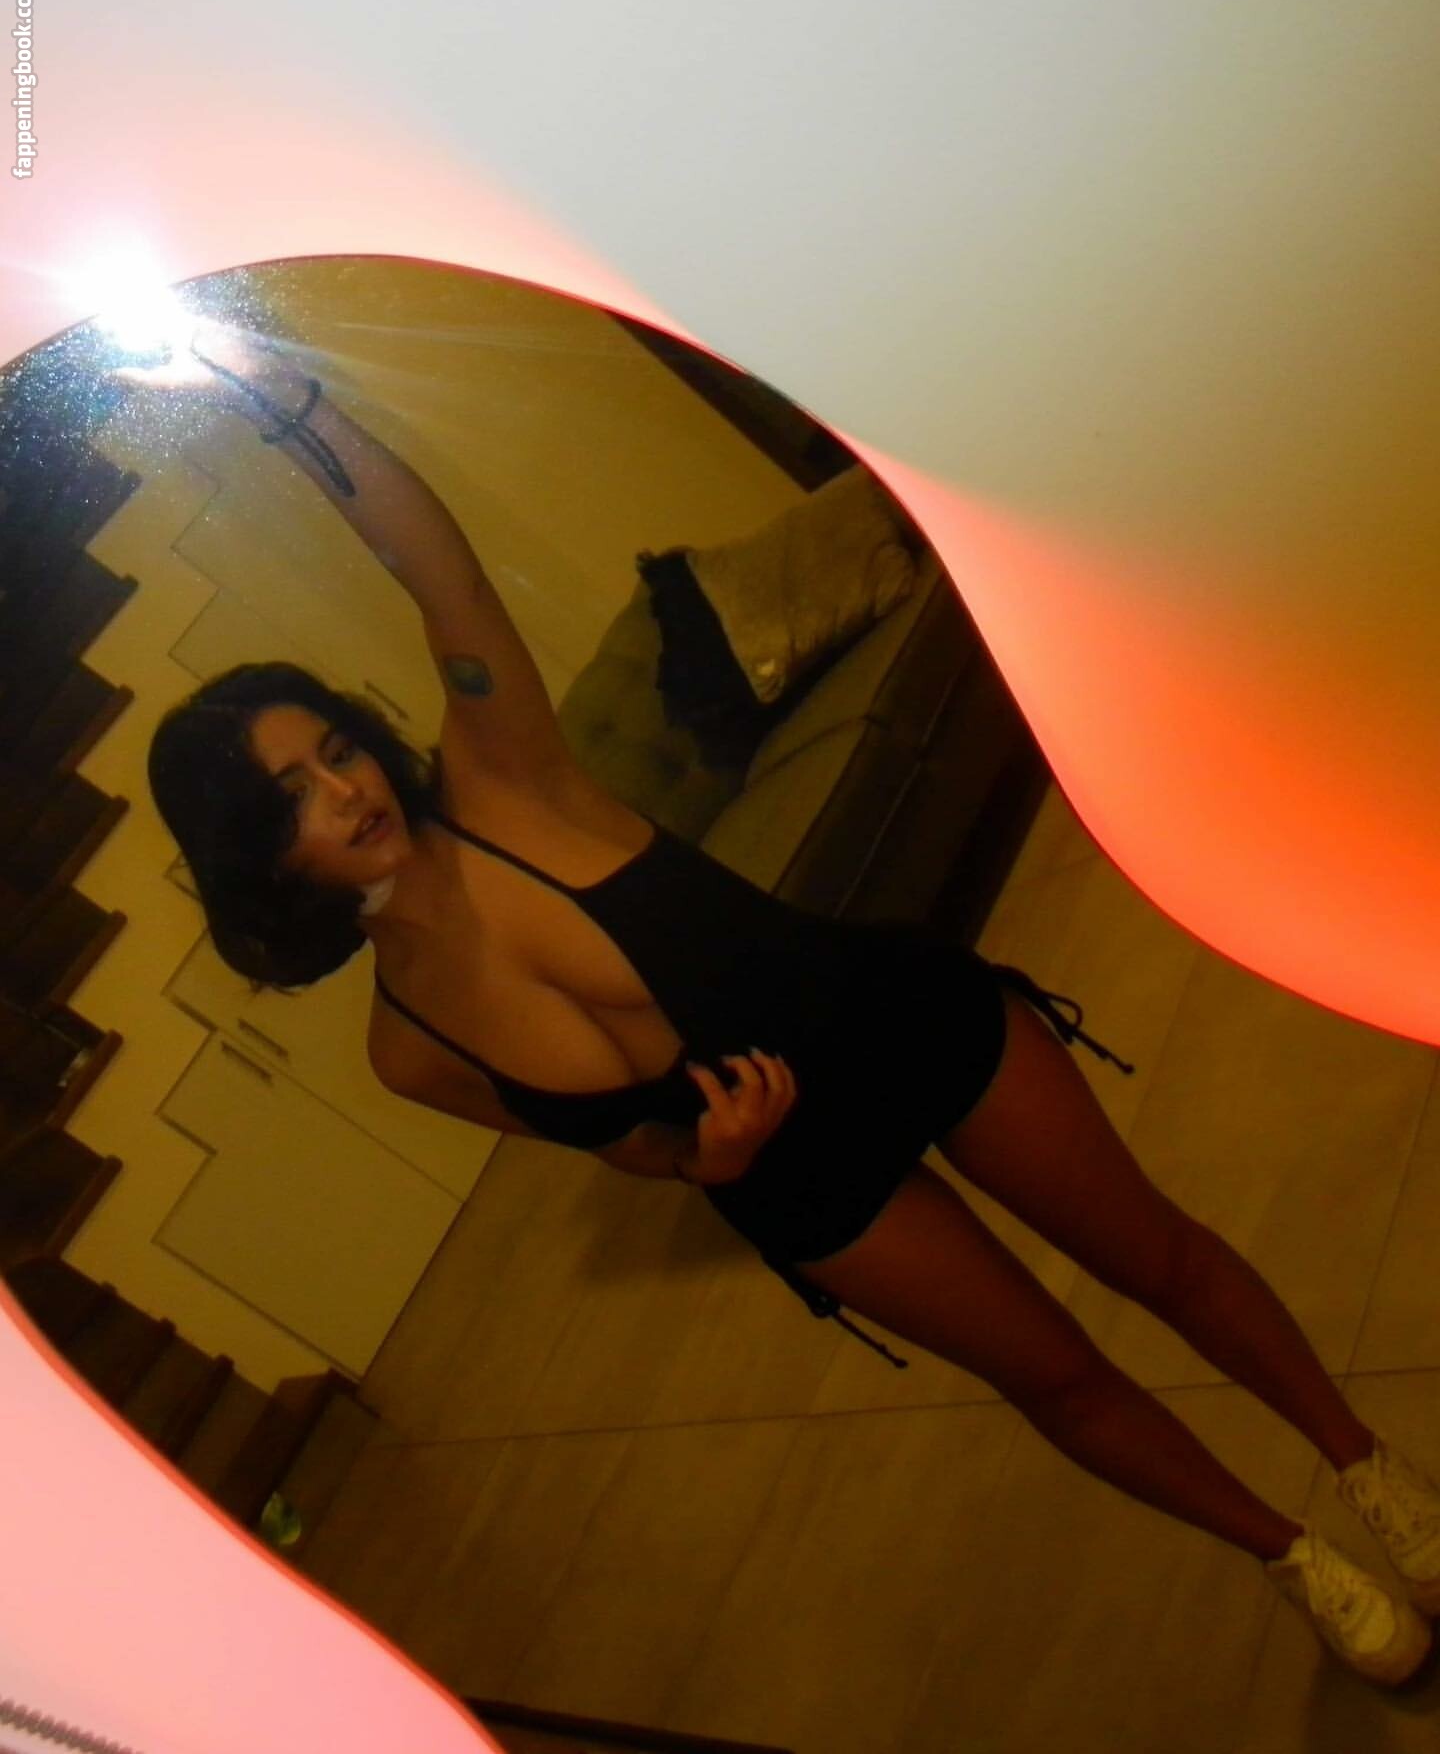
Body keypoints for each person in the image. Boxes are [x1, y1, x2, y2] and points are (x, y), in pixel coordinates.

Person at [137, 319, 1440, 1689]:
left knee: (1156, 1258)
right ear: (255, 858)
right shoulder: (409, 1052)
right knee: (1054, 1377)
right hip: (798, 1186)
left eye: (337, 749)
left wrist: (291, 404)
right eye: (293, 796)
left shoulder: (506, 781)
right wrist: (710, 1159)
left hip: (886, 1019)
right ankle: (1291, 1554)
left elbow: (437, 571)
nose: (347, 790)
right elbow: (629, 1151)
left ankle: (1367, 1466)